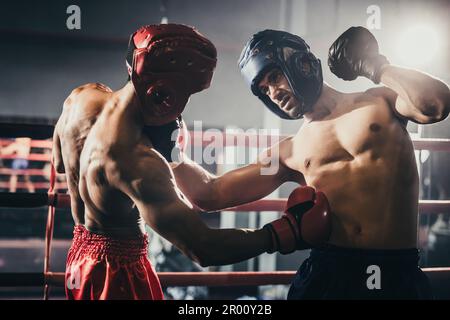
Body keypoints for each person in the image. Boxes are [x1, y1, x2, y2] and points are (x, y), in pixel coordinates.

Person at [53, 23, 331, 300]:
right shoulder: (139, 164)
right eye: (184, 93)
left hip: (80, 257)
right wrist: (285, 233)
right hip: (119, 273)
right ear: (164, 94)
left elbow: (60, 164)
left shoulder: (81, 98)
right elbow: (203, 247)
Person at [171, 27, 450, 299]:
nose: (273, 93)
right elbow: (209, 193)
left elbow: (436, 103)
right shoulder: (289, 152)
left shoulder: (379, 102)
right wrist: (168, 144)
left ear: (301, 63)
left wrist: (376, 66)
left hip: (395, 270)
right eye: (264, 90)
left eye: (274, 76)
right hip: (329, 273)